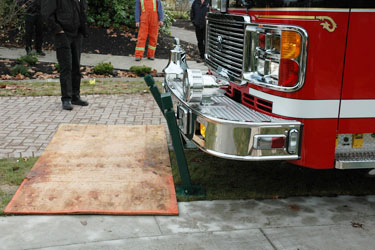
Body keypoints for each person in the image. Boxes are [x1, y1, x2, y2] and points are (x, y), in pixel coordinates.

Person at [41, 0, 89, 111]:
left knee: (76, 66)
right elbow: (46, 13)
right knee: (66, 66)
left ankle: (75, 96)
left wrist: (82, 28)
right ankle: (66, 98)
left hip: (77, 33)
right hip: (63, 34)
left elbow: (82, 8)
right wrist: (58, 30)